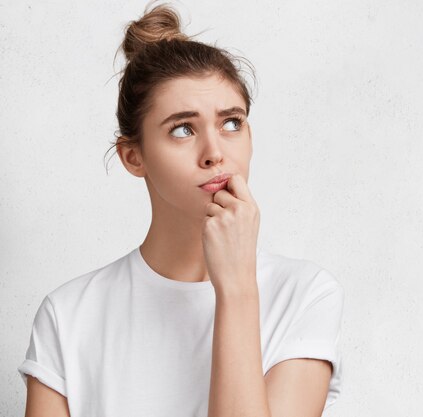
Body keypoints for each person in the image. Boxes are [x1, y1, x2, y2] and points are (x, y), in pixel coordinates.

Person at [17, 3, 345, 416]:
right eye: (183, 129)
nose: (215, 153)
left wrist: (238, 289)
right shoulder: (68, 316)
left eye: (231, 123)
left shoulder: (304, 295)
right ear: (133, 157)